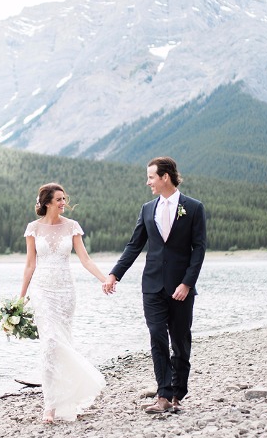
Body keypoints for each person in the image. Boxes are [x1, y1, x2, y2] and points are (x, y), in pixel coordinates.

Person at [102, 157, 206, 414]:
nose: (147, 182)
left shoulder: (193, 207)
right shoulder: (147, 209)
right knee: (157, 336)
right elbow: (134, 245)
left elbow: (199, 249)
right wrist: (115, 274)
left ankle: (178, 393)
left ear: (165, 177)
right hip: (152, 286)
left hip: (181, 288)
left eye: (151, 177)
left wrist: (187, 284)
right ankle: (163, 395)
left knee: (180, 341)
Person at [20, 183, 107, 423]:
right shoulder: (33, 229)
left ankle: (67, 398)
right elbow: (30, 265)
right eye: (58, 199)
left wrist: (104, 279)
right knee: (49, 343)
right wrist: (21, 297)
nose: (63, 203)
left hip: (66, 292)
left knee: (63, 342)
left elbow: (85, 259)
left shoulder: (72, 227)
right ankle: (50, 405)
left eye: (64, 199)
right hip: (42, 290)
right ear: (47, 202)